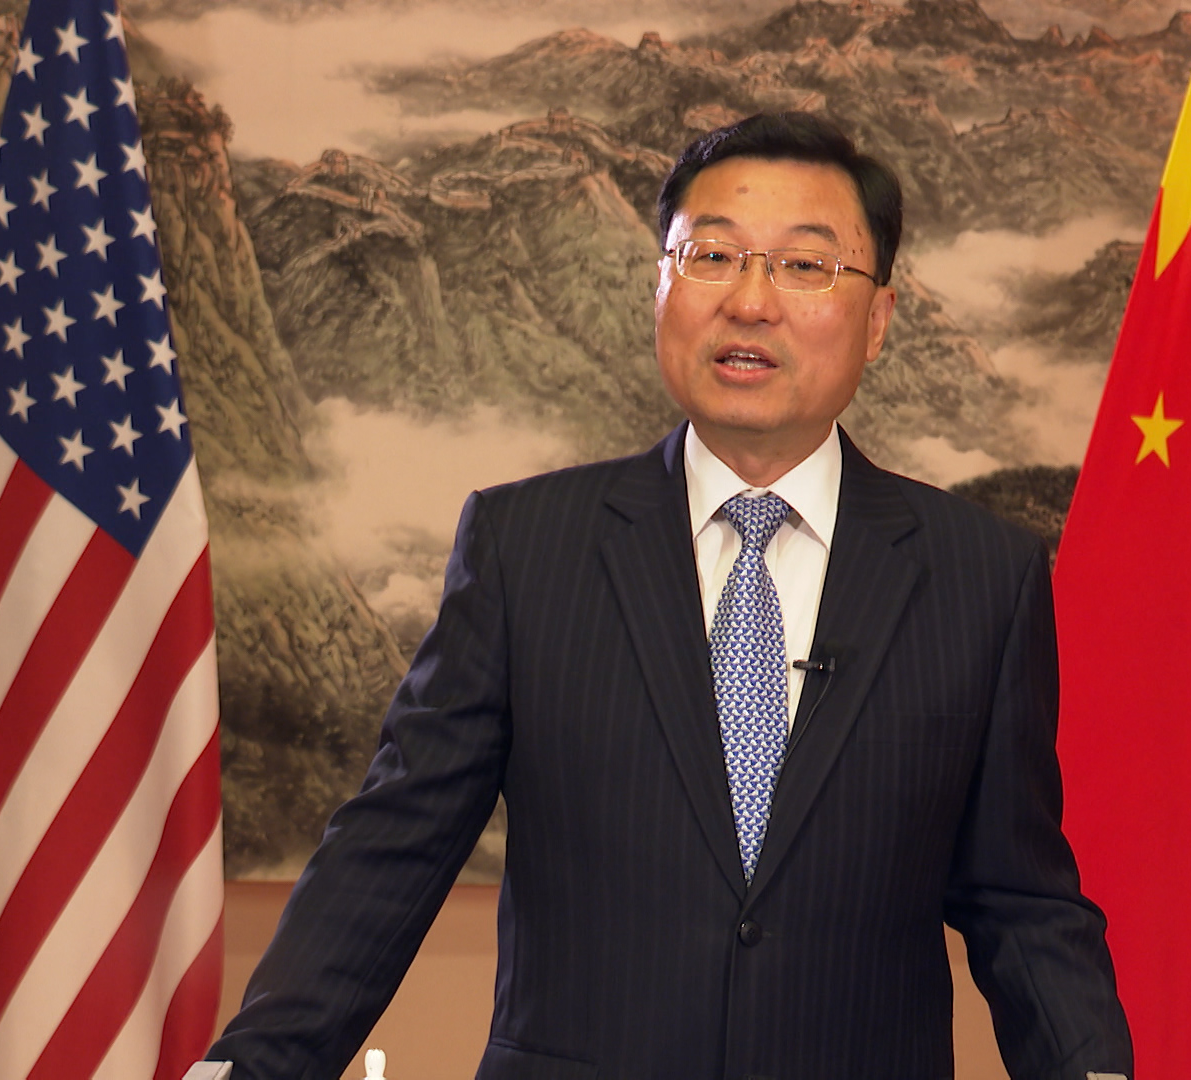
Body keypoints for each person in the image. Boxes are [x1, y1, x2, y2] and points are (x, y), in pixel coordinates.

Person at [203, 113, 1132, 1080]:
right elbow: (394, 843)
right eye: (712, 256)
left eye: (805, 266)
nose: (750, 303)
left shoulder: (979, 576)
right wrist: (252, 1065)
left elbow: (1020, 900)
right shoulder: (529, 548)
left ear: (878, 320)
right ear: (660, 287)